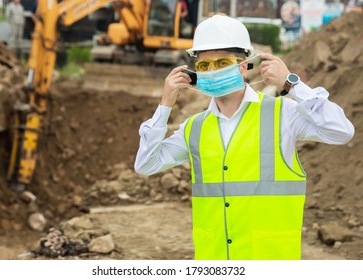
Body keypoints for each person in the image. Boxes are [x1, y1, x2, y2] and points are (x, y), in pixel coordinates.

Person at [134, 14, 355, 260]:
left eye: (221, 63)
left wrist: (293, 85)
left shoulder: (283, 114)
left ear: (242, 66)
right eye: (204, 66)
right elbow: (146, 164)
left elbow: (342, 131)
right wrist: (165, 105)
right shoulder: (193, 128)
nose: (212, 71)